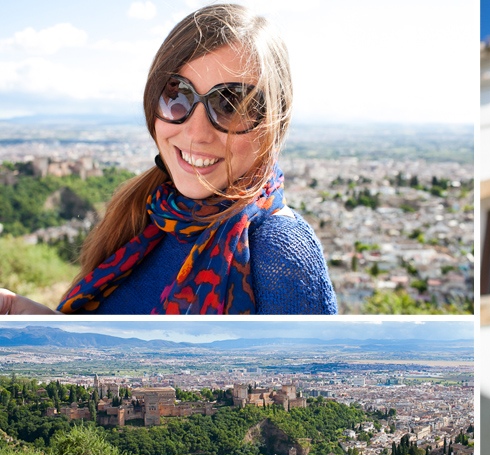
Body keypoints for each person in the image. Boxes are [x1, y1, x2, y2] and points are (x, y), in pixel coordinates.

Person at [0, 3, 337, 315]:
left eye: (231, 105)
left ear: (274, 123)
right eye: (176, 93)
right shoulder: (148, 215)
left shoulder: (282, 253)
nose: (196, 132)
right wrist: (40, 324)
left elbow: (309, 379)